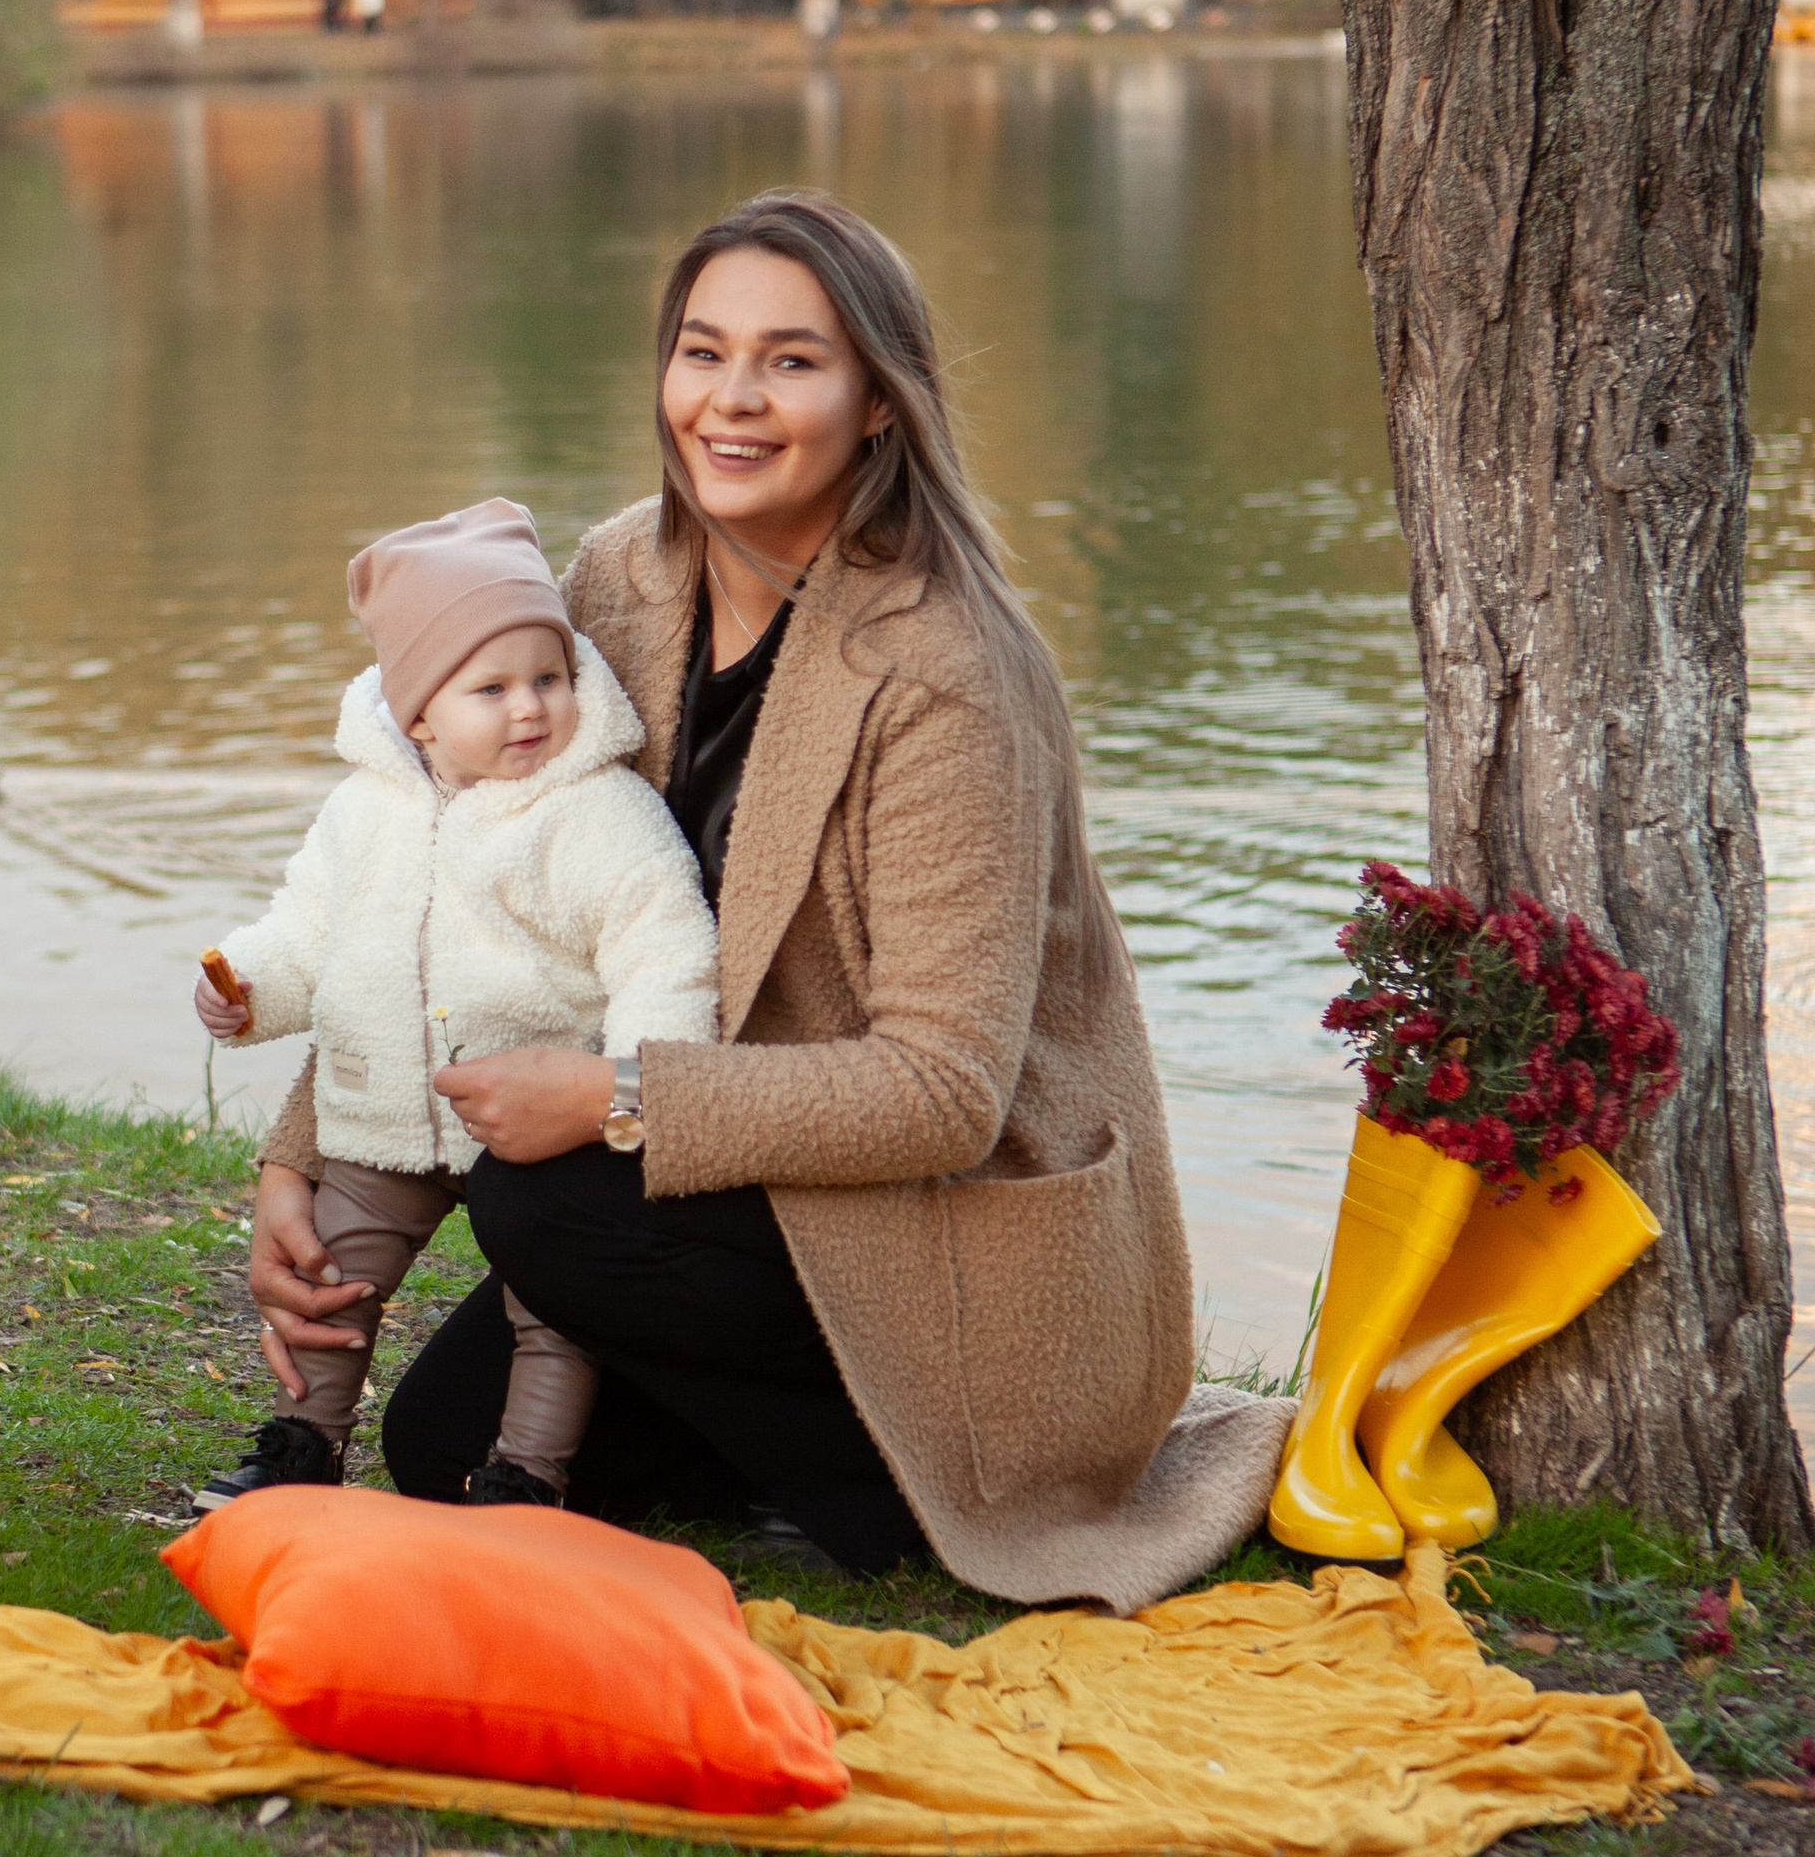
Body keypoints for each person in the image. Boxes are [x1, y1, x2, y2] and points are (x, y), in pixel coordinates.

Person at [245, 192, 1290, 1611]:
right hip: (757, 1190)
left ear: (876, 402)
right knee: (443, 1447)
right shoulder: (623, 577)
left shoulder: (945, 675)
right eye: (701, 351)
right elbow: (436, 860)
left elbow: (944, 1093)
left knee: (545, 1209)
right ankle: (783, 1453)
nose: (730, 401)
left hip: (955, 1221)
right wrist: (301, 1157)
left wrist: (615, 1100)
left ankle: (912, 1482)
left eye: (791, 362)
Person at [191, 498, 719, 1510]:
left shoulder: (598, 812)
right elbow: (310, 930)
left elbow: (664, 948)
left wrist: (641, 1075)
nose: (532, 709)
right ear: (419, 712)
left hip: (540, 1131)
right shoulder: (365, 813)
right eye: (494, 689)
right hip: (385, 1112)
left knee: (555, 1309)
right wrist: (249, 989)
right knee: (330, 1276)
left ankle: (526, 1474)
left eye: (551, 680)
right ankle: (303, 1444)